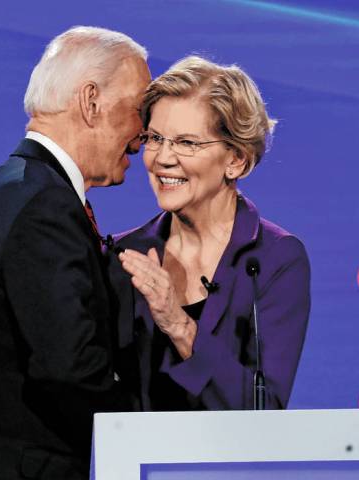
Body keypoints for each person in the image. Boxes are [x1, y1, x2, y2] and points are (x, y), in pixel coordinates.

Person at [0, 27, 150, 480]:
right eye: (140, 110)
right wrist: (149, 432)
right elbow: (70, 368)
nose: (143, 137)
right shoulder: (42, 207)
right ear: (91, 102)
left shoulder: (12, 189)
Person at [111, 56, 310, 412]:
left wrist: (180, 326)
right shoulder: (124, 255)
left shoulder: (275, 259)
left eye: (187, 143)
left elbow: (266, 409)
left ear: (236, 160)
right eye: (155, 138)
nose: (163, 158)